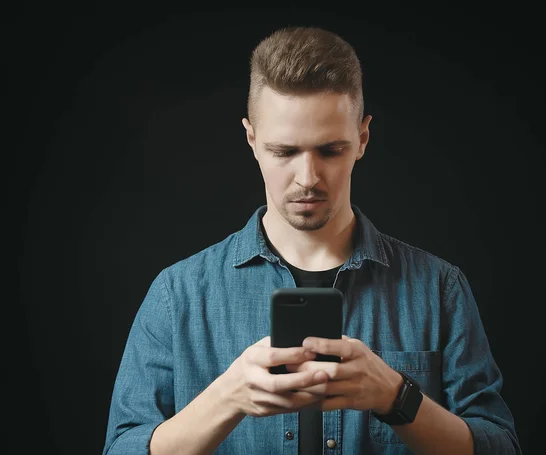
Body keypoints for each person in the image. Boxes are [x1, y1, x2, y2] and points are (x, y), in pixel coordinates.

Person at [102, 26, 522, 455]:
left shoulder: (439, 289)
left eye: (330, 150)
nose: (308, 179)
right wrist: (227, 397)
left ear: (362, 139)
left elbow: (501, 448)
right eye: (285, 151)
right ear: (252, 140)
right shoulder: (178, 295)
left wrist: (397, 397)